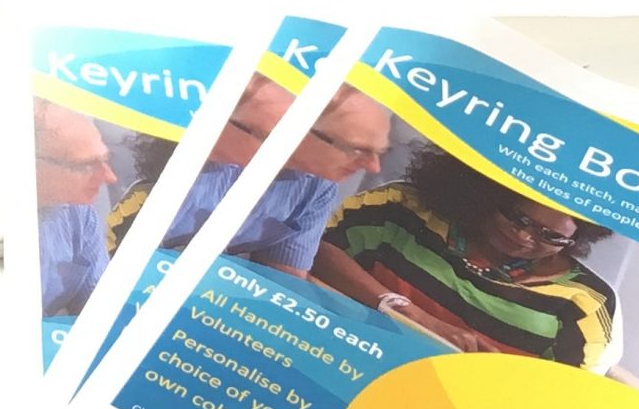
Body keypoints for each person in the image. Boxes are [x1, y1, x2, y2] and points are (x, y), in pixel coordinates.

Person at [313, 148, 618, 367]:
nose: (524, 237)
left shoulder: (584, 303)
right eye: (518, 218)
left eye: (550, 236)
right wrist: (410, 315)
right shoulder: (400, 208)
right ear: (489, 193)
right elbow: (317, 251)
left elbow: (559, 398)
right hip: (338, 356)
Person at [134, 79, 394, 277]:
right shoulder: (209, 155)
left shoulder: (319, 187)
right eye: (358, 149)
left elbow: (283, 280)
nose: (373, 167)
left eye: (380, 152)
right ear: (306, 132)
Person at [35, 99, 116, 318]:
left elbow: (101, 310)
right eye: (87, 165)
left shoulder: (81, 215)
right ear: (36, 165)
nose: (110, 177)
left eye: (106, 160)